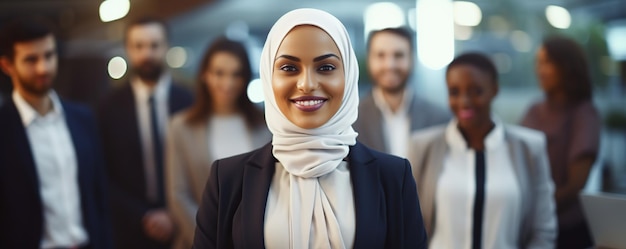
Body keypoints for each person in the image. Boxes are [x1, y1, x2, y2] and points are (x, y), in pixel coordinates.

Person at [192, 8, 427, 249]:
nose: (307, 84)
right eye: (289, 68)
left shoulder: (393, 177)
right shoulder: (228, 179)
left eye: (325, 68)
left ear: (349, 76)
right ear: (267, 77)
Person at [408, 52, 557, 248]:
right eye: (454, 92)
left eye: (476, 91)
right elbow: (407, 225)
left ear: (495, 90)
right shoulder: (422, 146)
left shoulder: (530, 147)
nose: (464, 102)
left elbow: (543, 230)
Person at [0, 17, 111, 249]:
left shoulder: (83, 118)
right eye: (31, 59)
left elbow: (99, 194)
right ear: (7, 65)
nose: (44, 67)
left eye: (49, 56)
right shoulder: (5, 127)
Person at [165, 37, 270, 249]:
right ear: (205, 74)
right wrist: (210, 239)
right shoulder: (181, 126)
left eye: (236, 74)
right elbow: (178, 195)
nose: (228, 83)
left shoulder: (266, 125)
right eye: (219, 73)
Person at [98, 17, 193, 249]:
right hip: (129, 230)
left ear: (166, 46)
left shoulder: (191, 102)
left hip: (186, 226)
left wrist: (175, 213)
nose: (147, 54)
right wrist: (143, 216)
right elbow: (103, 174)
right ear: (128, 49)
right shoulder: (107, 107)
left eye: (154, 45)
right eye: (139, 46)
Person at [521, 36, 601, 249]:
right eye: (538, 62)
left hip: (565, 229)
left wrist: (535, 209)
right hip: (529, 224)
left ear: (566, 65)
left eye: (547, 62)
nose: (540, 69)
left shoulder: (584, 114)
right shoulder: (534, 110)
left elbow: (575, 185)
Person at [353, 27, 449, 158]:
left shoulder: (440, 119)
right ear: (369, 60)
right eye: (380, 55)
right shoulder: (351, 120)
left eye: (399, 55)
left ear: (412, 59)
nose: (389, 65)